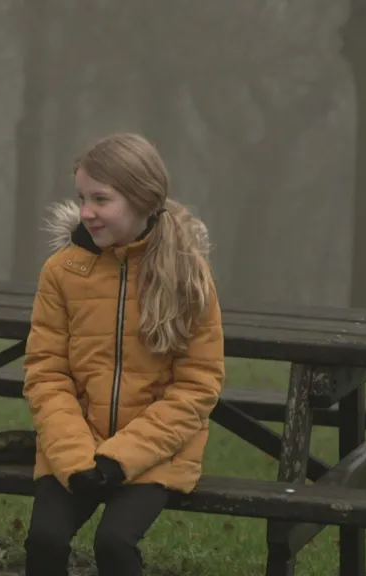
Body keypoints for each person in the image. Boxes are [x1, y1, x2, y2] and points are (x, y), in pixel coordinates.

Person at [21, 132, 225, 576]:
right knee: (44, 540)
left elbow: (197, 386)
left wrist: (120, 458)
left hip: (157, 453)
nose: (86, 212)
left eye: (101, 199)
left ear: (142, 198)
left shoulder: (188, 275)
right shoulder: (62, 271)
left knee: (114, 543)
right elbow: (46, 373)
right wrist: (77, 460)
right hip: (75, 443)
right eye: (82, 198)